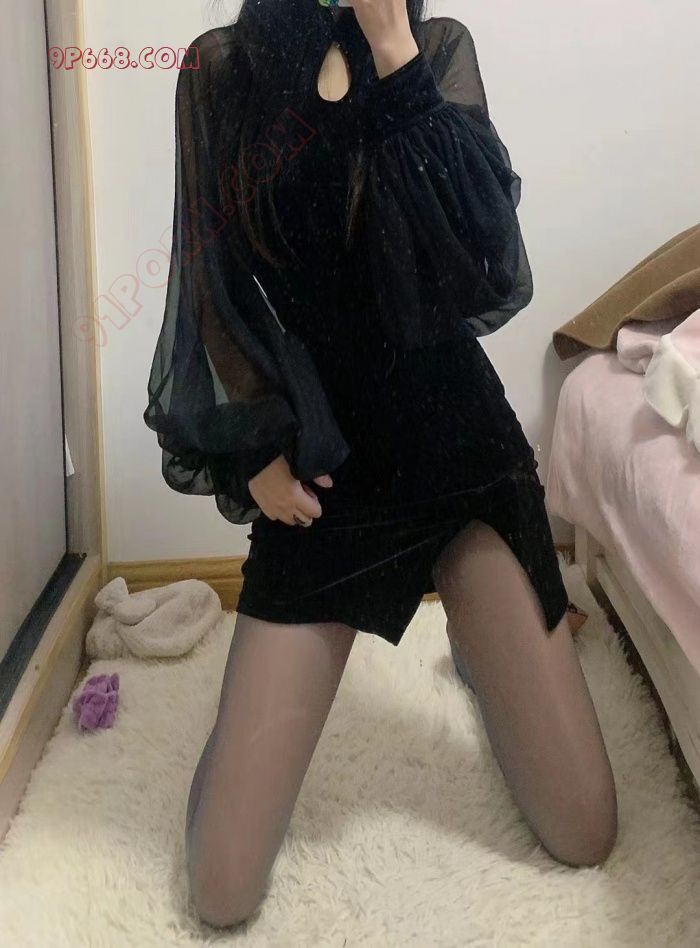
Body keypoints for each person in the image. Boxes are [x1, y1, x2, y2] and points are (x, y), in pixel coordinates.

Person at [144, 0, 618, 930]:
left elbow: (487, 264)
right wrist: (253, 454)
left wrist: (395, 51)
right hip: (328, 477)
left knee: (585, 831)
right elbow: (211, 287)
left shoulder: (435, 50)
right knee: (222, 890)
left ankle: (481, 655)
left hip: (462, 456)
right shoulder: (222, 71)